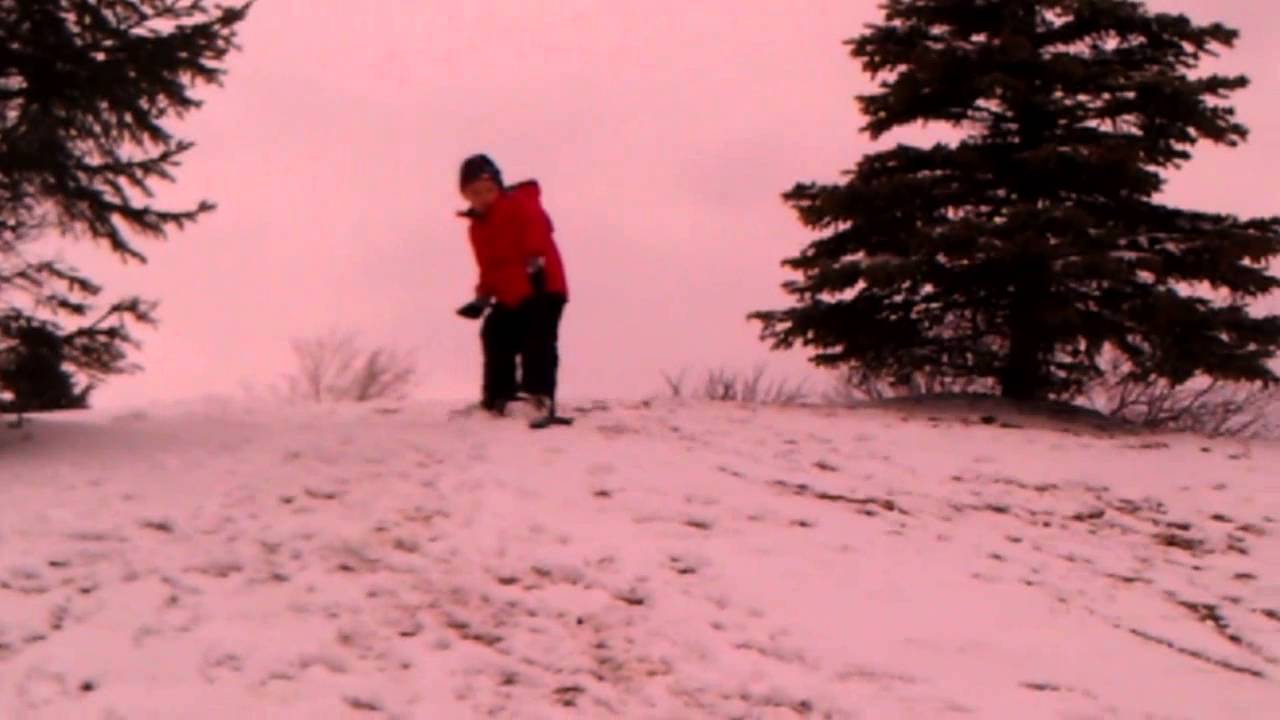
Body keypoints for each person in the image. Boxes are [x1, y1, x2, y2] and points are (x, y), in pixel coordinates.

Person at [455, 154, 568, 418]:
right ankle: (498, 395)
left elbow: (536, 227)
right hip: (511, 293)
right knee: (495, 333)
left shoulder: (518, 203)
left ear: (499, 188)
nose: (483, 197)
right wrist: (481, 299)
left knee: (536, 339)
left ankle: (538, 396)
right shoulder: (478, 228)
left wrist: (535, 261)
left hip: (542, 285)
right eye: (475, 192)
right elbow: (489, 267)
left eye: (489, 190)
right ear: (465, 194)